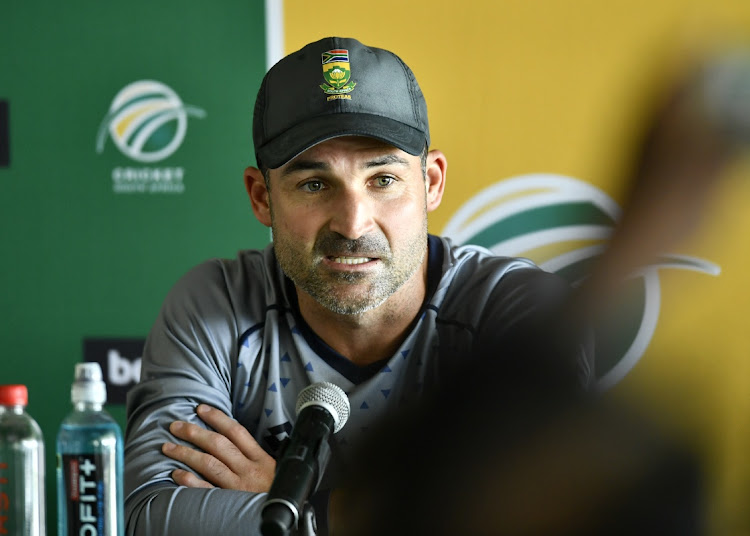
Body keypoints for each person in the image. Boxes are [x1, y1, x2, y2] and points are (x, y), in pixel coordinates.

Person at [124, 36, 592, 536]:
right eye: (314, 184)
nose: (351, 223)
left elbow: (543, 512)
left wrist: (294, 507)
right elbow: (155, 517)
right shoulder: (215, 305)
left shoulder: (516, 310)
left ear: (430, 181)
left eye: (383, 180)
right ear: (262, 198)